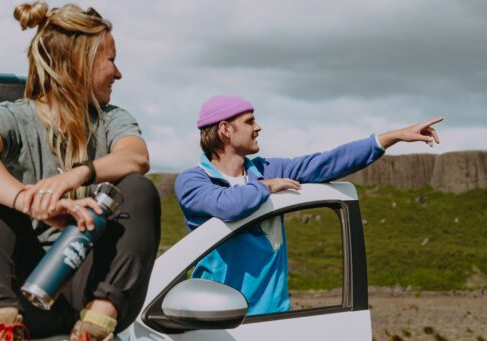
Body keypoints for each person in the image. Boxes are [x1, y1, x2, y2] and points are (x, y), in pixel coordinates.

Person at [0, 2, 160, 341]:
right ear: (80, 63)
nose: (118, 73)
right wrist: (31, 201)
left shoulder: (112, 119)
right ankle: (2, 334)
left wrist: (72, 177)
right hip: (27, 292)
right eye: (111, 60)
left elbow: (136, 157)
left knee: (138, 189)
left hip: (92, 292)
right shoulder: (14, 118)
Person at [174, 95, 442, 315]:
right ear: (225, 129)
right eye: (249, 121)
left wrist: (390, 137)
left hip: (272, 318)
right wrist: (266, 187)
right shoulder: (193, 181)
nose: (258, 127)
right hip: (213, 321)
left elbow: (326, 163)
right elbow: (226, 206)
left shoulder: (267, 168)